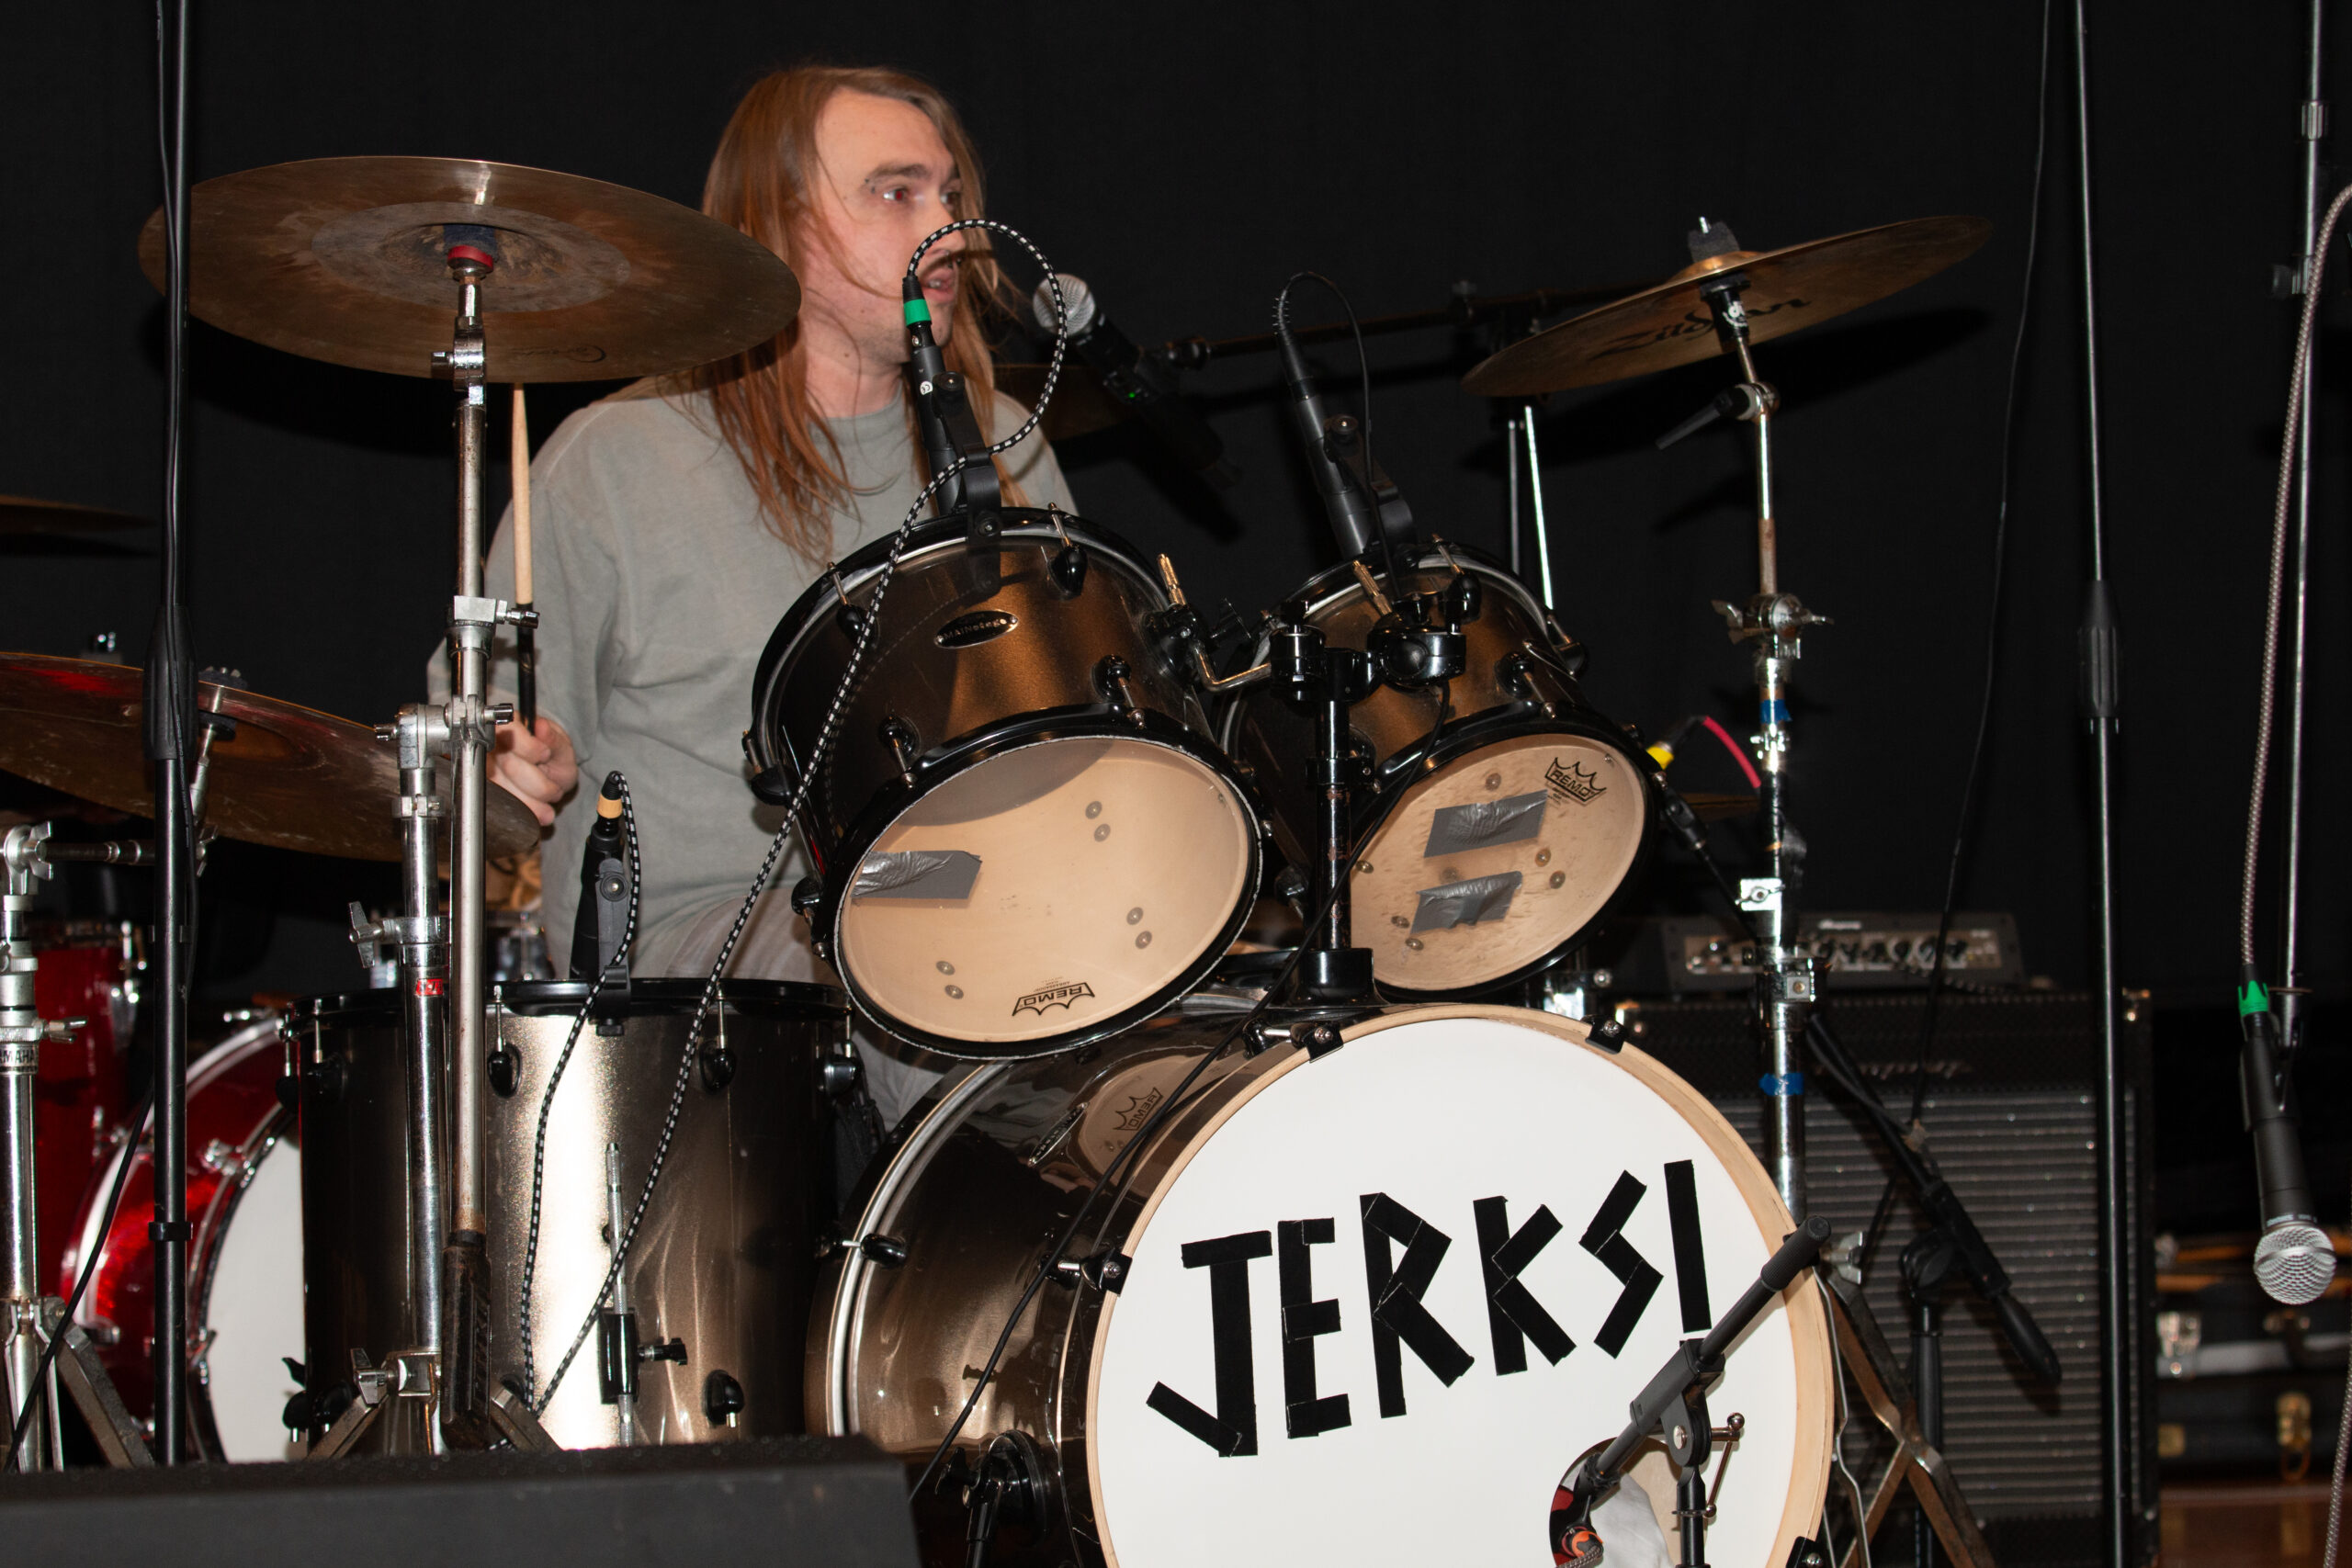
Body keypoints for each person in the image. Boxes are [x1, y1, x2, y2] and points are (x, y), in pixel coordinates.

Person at [434, 65, 1074, 1123]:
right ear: (779, 226)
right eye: (895, 192)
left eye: (951, 194)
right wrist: (504, 754)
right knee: (923, 932)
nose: (950, 231)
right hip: (699, 944)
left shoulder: (1002, 442)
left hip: (983, 887)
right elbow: (472, 745)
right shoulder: (615, 461)